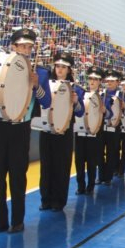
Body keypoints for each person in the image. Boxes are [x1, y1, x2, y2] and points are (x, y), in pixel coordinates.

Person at [0, 28, 52, 235]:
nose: (25, 50)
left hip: (22, 128)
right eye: (22, 46)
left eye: (29, 47)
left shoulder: (40, 72)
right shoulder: (2, 68)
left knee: (17, 176)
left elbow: (46, 101)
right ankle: (0, 221)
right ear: (13, 47)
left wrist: (36, 86)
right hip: (2, 125)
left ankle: (17, 221)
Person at [39, 52, 84, 212]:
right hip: (46, 130)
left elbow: (80, 112)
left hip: (65, 131)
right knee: (46, 167)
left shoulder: (76, 89)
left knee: (62, 167)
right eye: (57, 66)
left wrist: (76, 102)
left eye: (63, 67)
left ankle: (59, 201)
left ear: (69, 70)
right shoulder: (45, 84)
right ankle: (46, 199)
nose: (59, 69)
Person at [74, 67, 104, 195]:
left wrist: (105, 110)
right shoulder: (81, 93)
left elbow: (110, 114)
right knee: (79, 161)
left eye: (95, 79)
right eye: (90, 78)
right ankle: (80, 186)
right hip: (80, 132)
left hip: (94, 133)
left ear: (100, 81)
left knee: (92, 162)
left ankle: (90, 186)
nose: (92, 81)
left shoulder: (104, 96)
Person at [99, 70, 122, 185]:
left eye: (112, 81)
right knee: (99, 152)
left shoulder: (120, 95)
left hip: (114, 127)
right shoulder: (101, 93)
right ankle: (101, 176)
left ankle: (108, 177)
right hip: (102, 127)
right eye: (108, 80)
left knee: (111, 153)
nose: (109, 83)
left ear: (117, 82)